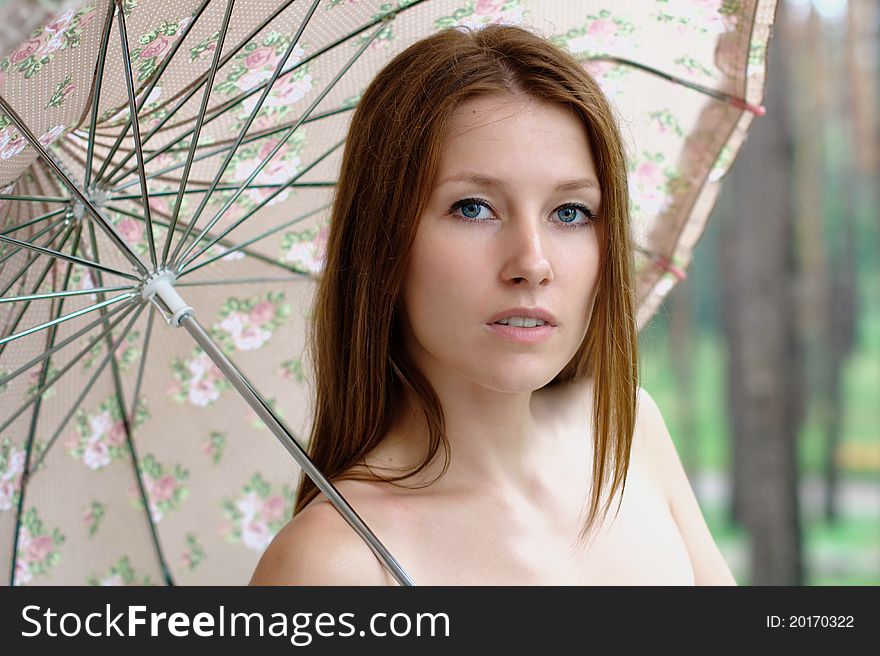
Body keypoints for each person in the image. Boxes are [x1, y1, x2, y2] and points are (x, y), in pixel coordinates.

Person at [250, 23, 735, 586]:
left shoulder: (629, 435)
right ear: (383, 241)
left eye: (571, 212)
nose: (533, 262)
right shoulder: (335, 564)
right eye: (474, 208)